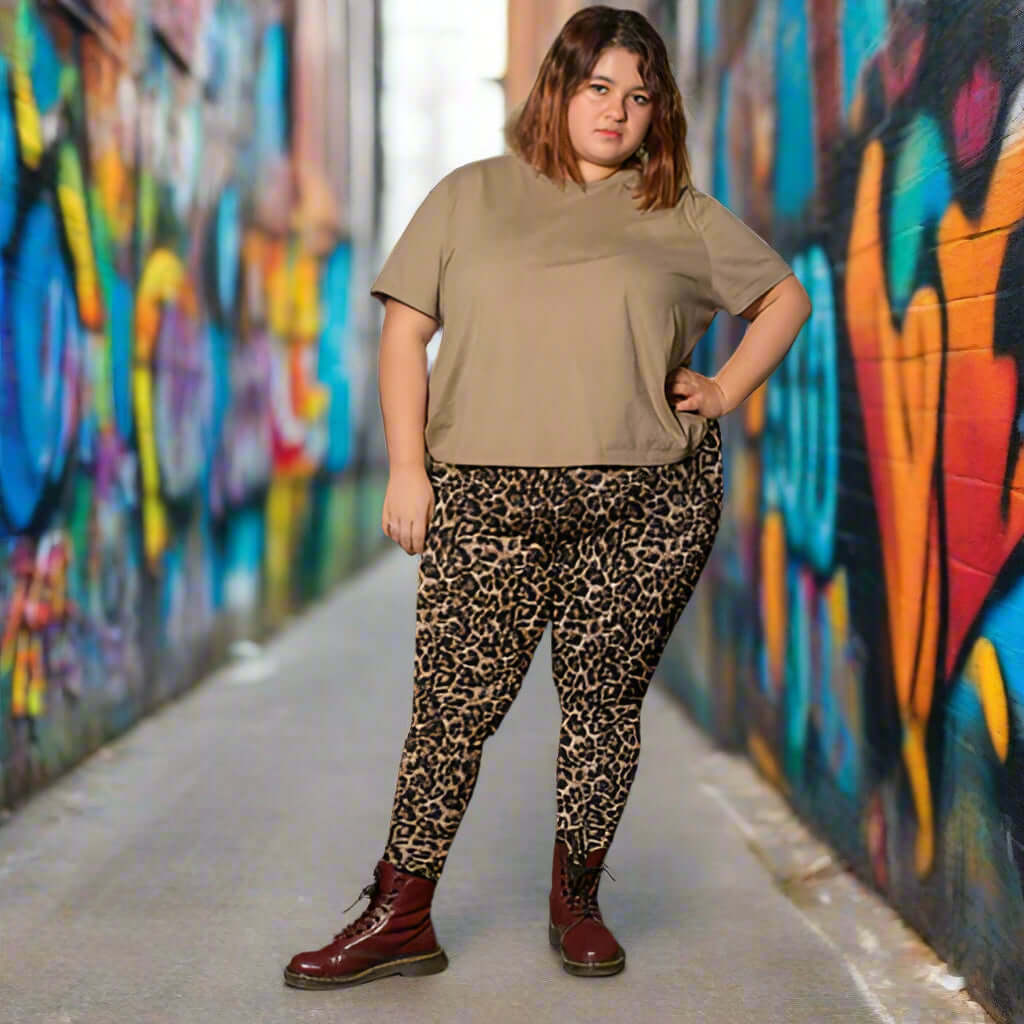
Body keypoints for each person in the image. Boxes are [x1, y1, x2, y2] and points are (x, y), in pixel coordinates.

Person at [284, 5, 810, 989]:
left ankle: (578, 898)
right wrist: (408, 468)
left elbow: (784, 297)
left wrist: (727, 389)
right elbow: (404, 336)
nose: (619, 110)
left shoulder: (680, 213)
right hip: (486, 503)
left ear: (659, 112)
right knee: (449, 707)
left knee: (602, 706)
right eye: (600, 86)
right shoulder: (469, 196)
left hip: (645, 505)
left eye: (640, 94)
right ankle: (399, 914)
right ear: (558, 88)